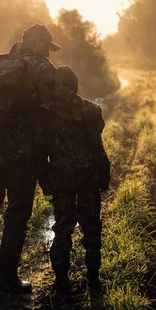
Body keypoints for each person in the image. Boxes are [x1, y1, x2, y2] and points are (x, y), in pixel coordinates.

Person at [0, 24, 90, 293]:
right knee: (17, 214)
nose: (48, 52)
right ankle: (6, 280)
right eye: (46, 46)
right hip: (23, 155)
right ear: (33, 43)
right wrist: (89, 110)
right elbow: (61, 102)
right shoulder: (40, 67)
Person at [45, 65, 110, 292]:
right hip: (87, 178)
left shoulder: (46, 116)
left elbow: (39, 150)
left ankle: (61, 281)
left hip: (62, 179)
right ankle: (94, 279)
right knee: (91, 228)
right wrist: (103, 174)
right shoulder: (87, 110)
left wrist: (46, 180)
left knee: (62, 228)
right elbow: (98, 138)